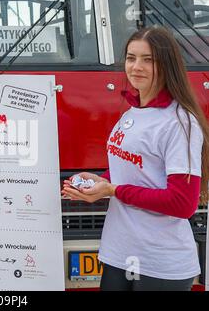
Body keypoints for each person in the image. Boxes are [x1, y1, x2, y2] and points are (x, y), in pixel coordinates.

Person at [62, 26, 209, 291]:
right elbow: (132, 171)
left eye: (148, 59)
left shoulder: (179, 123)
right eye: (131, 58)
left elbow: (182, 203)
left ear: (167, 64)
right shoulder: (132, 112)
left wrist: (113, 190)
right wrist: (99, 181)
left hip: (160, 264)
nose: (136, 66)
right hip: (119, 253)